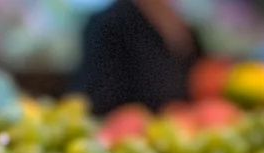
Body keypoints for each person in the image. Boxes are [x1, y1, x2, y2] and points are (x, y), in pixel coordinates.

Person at [72, 0, 204, 115]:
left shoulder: (185, 27)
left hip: (180, 128)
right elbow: (98, 98)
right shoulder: (107, 24)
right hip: (127, 134)